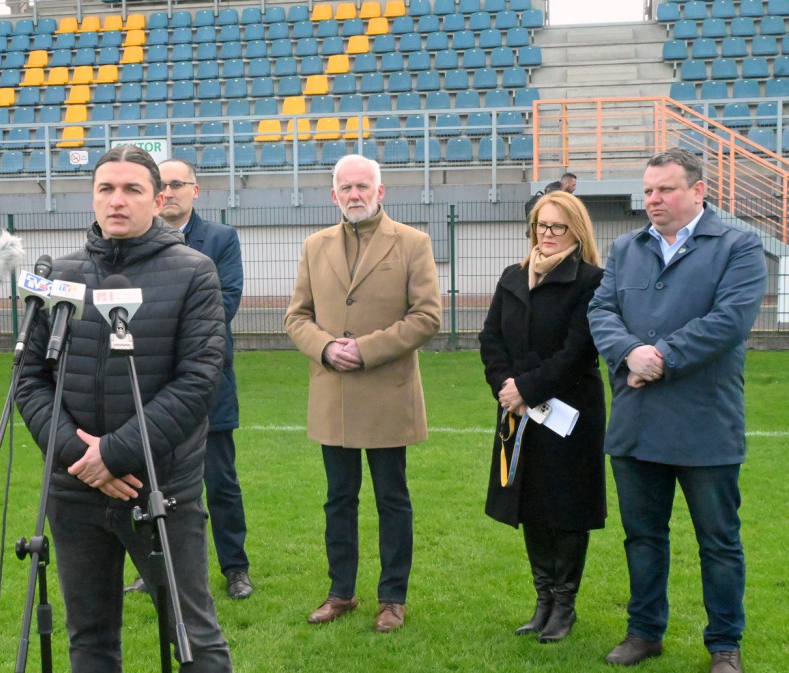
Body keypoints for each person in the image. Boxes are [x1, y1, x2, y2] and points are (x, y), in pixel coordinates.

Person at [15, 145, 233, 673]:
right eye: (105, 189)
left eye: (132, 189)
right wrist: (79, 457)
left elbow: (199, 379)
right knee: (89, 639)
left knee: (193, 637)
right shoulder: (61, 274)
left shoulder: (193, 271)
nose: (117, 201)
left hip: (161, 489)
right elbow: (29, 379)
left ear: (158, 200)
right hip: (74, 490)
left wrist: (114, 454)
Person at [588, 148, 766, 673]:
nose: (653, 200)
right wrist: (627, 353)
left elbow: (729, 321)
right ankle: (644, 632)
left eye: (664, 190)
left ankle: (724, 646)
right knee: (643, 537)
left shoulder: (739, 246)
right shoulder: (626, 247)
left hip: (705, 424)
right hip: (637, 424)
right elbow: (601, 309)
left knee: (719, 541)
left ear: (698, 191)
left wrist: (660, 358)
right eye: (647, 191)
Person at [284, 154, 441, 633]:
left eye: (363, 186)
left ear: (380, 191)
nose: (355, 194)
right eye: (346, 187)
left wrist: (366, 349)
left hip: (388, 394)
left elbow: (427, 317)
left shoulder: (413, 242)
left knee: (393, 499)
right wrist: (327, 347)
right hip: (334, 396)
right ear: (334, 195)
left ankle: (392, 598)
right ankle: (340, 593)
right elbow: (295, 317)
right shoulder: (314, 246)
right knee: (338, 499)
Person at [478, 191, 607, 643]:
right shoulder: (513, 276)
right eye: (541, 226)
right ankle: (543, 602)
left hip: (571, 416)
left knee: (566, 509)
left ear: (576, 231)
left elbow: (579, 350)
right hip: (519, 414)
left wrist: (527, 388)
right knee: (530, 505)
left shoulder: (591, 280)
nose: (547, 235)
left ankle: (564, 607)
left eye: (557, 227)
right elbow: (490, 337)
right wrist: (505, 387)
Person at [127, 158, 253, 600]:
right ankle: (153, 567)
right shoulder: (135, 241)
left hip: (206, 385)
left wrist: (162, 317)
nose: (170, 190)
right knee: (149, 485)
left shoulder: (220, 239)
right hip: (150, 385)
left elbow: (225, 304)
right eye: (162, 184)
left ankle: (235, 568)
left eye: (178, 183)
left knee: (220, 482)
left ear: (195, 190)